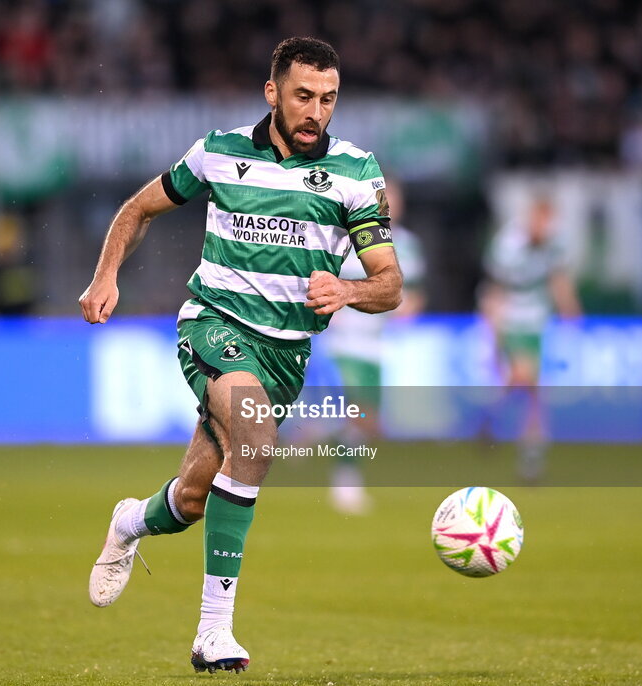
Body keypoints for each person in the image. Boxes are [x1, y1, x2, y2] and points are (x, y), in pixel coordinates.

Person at [78, 37, 402, 674]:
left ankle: (131, 522)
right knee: (253, 440)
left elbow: (390, 283)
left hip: (286, 354)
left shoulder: (357, 172)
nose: (316, 111)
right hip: (213, 324)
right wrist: (105, 275)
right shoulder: (218, 152)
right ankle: (213, 633)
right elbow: (139, 208)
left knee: (195, 499)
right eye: (304, 96)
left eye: (328, 99)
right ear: (273, 92)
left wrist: (349, 289)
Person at [321, 178, 425, 514]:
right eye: (385, 199)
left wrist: (404, 308)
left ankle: (316, 430)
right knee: (359, 411)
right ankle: (345, 483)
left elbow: (415, 296)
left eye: (395, 199)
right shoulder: (348, 239)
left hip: (376, 346)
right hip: (345, 341)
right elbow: (322, 278)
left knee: (370, 421)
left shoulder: (407, 245)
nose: (390, 205)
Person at [478, 194, 581, 482]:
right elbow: (494, 290)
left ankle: (521, 443)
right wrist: (493, 331)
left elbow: (558, 280)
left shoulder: (555, 243)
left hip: (538, 322)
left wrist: (571, 309)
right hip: (511, 319)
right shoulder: (508, 244)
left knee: (533, 389)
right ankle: (528, 453)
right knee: (527, 377)